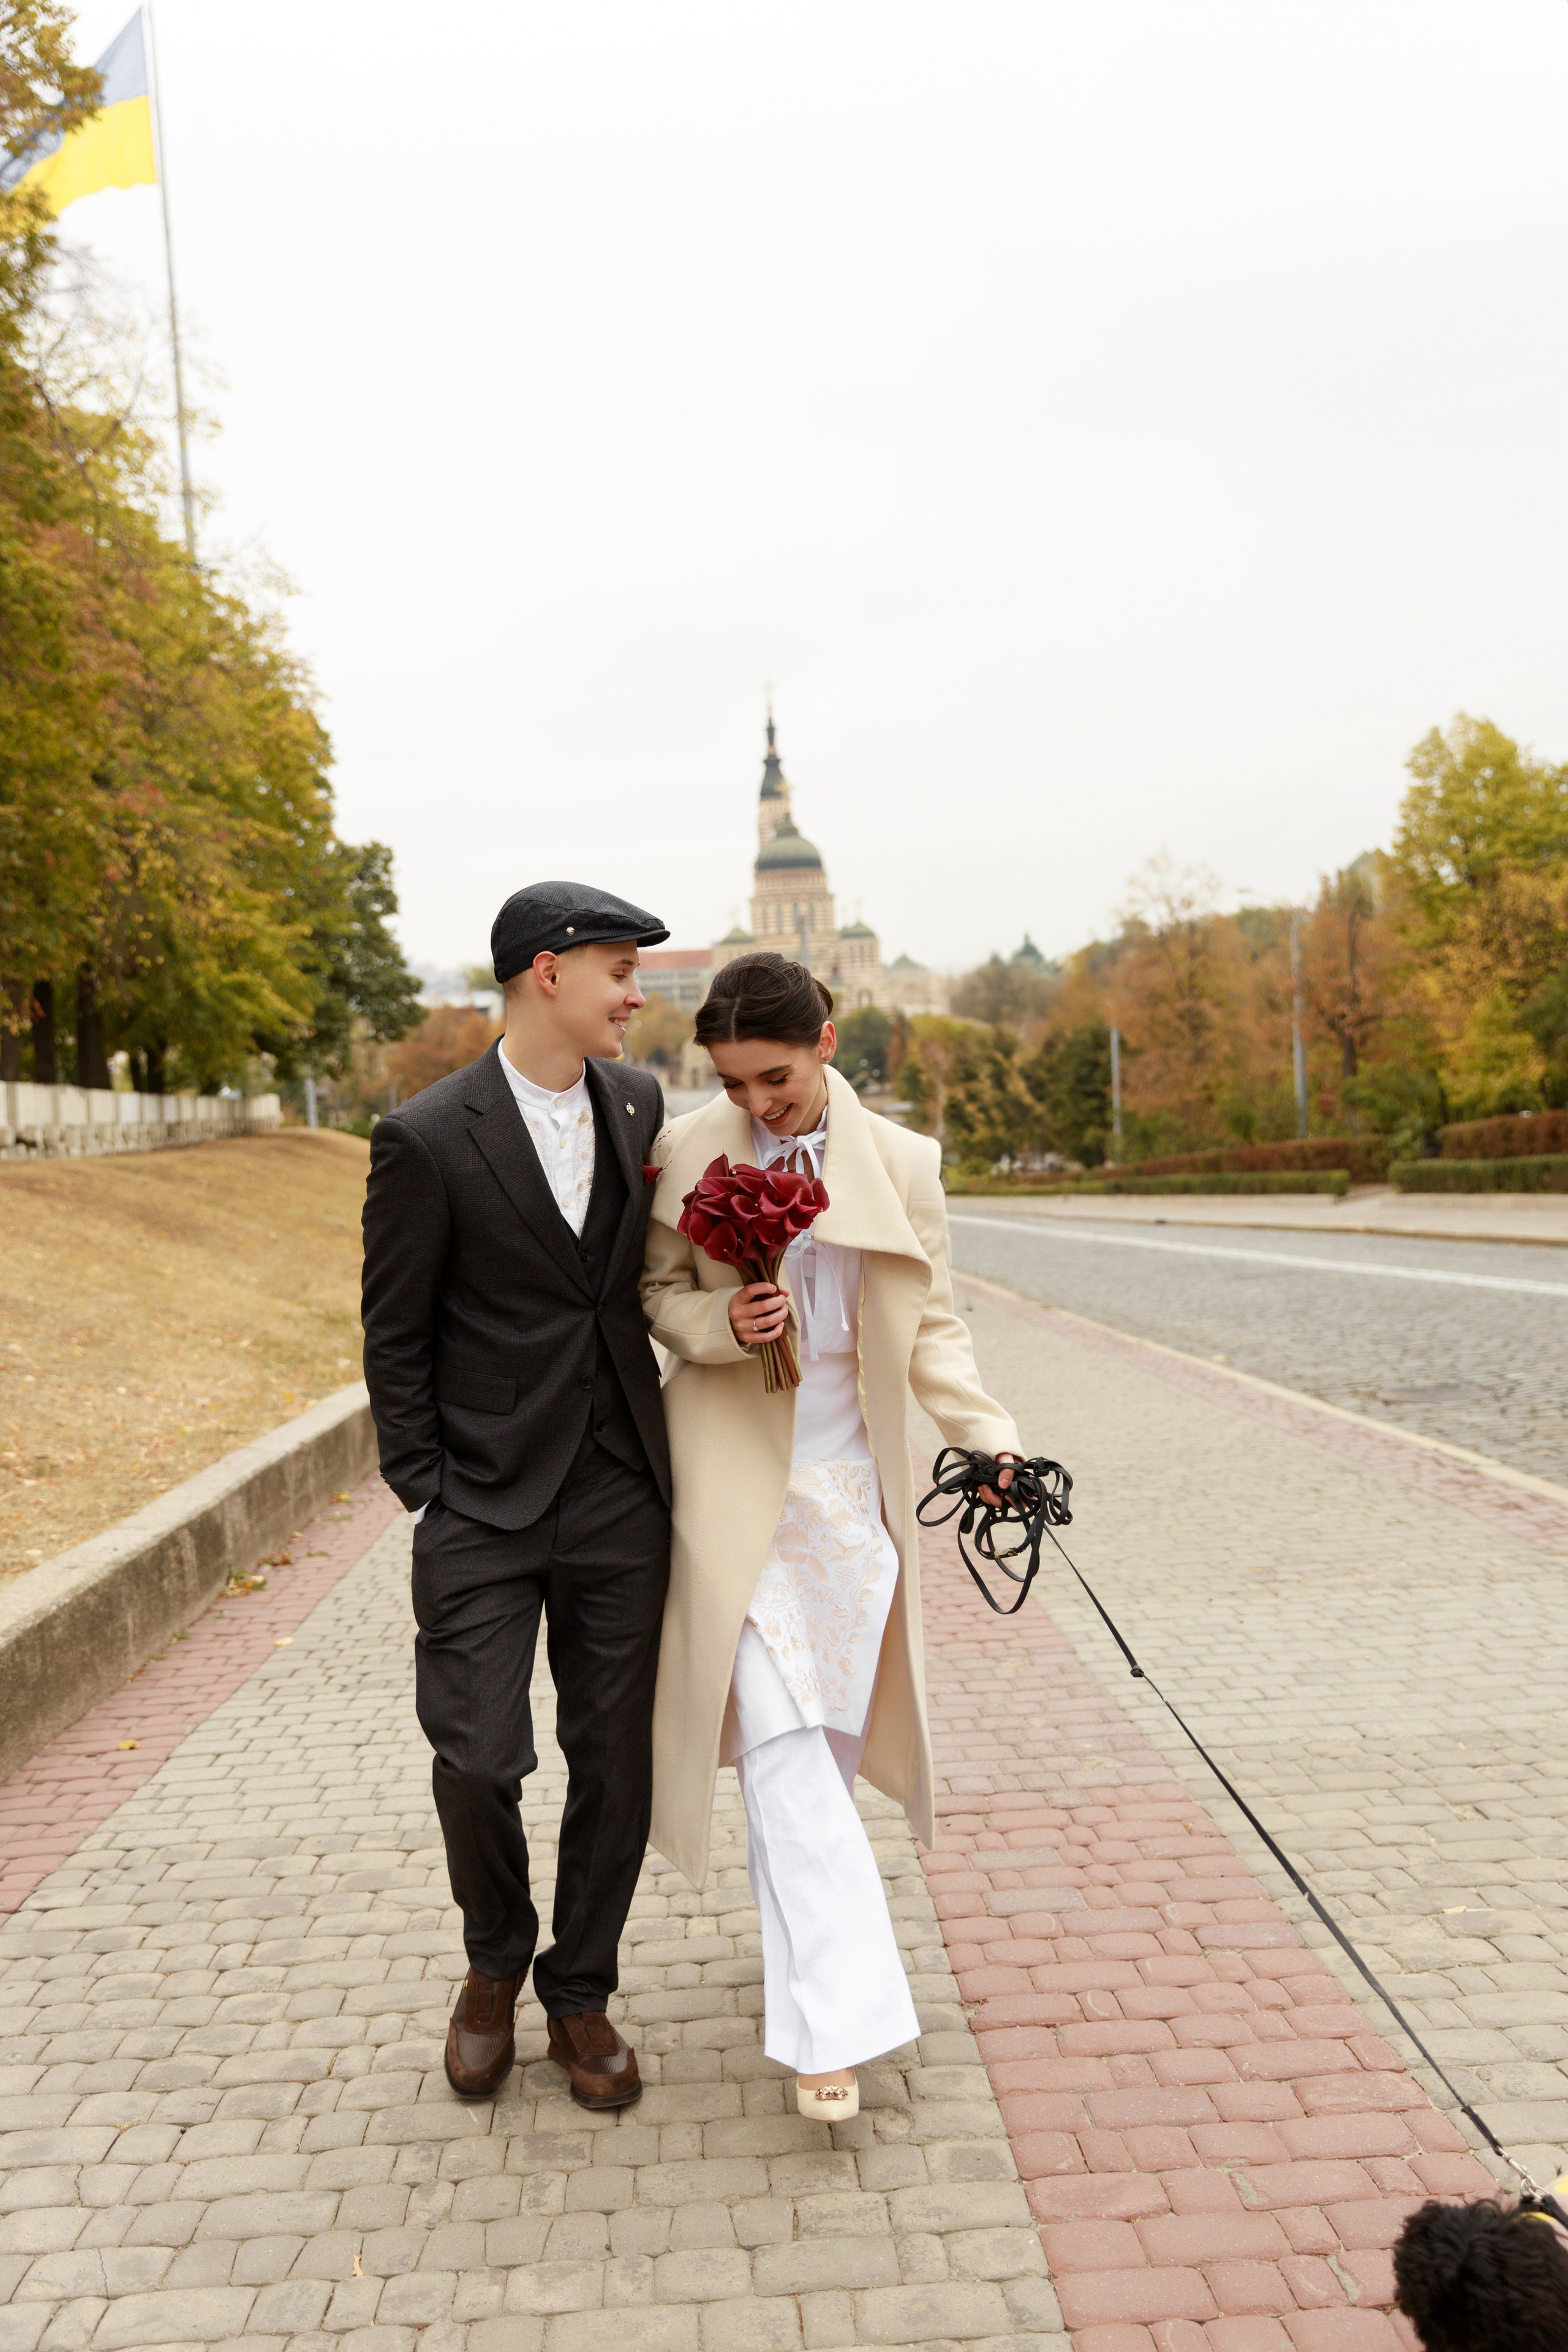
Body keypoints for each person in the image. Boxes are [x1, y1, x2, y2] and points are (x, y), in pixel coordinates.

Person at [641, 951, 1022, 2117]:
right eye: (735, 1081)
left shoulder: (903, 1164)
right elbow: (653, 1292)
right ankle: (836, 2035)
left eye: (775, 1076)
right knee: (784, 1750)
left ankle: (807, 1984)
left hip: (853, 1502)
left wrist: (990, 1438)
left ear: (826, 1039)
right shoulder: (689, 1149)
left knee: (816, 1758)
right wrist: (721, 1318)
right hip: (728, 1492)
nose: (757, 1103)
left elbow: (935, 1329)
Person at [361, 880, 673, 2107]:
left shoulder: (642, 1102)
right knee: (480, 1756)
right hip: (482, 1503)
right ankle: (493, 1963)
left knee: (615, 1760)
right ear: (549, 973)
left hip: (617, 1495)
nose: (634, 994)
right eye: (617, 970)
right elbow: (395, 1333)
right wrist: (427, 1486)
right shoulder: (428, 1136)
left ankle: (579, 1991)